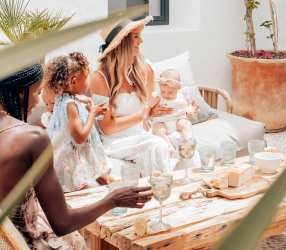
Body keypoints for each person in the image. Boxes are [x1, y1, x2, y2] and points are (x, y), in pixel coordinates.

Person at [0, 64, 152, 249]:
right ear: (20, 92)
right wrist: (113, 199)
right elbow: (63, 223)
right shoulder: (32, 138)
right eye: (37, 92)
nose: (39, 102)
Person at [90, 16, 174, 176]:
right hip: (115, 142)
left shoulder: (145, 70)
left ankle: (158, 193)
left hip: (142, 136)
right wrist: (143, 115)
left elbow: (149, 112)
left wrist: (168, 108)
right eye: (136, 36)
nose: (141, 41)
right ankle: (163, 190)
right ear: (122, 42)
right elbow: (106, 127)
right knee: (156, 145)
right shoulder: (99, 78)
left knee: (162, 145)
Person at [44, 52, 115, 192]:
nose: (89, 80)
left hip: (71, 152)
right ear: (74, 81)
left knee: (97, 175)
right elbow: (80, 137)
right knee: (79, 186)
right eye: (87, 76)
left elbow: (74, 102)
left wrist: (87, 101)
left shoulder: (61, 98)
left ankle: (105, 181)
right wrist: (92, 114)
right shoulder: (70, 105)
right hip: (73, 157)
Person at [152, 69, 198, 153]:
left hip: (177, 119)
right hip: (162, 121)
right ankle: (168, 146)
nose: (166, 95)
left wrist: (190, 109)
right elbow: (149, 106)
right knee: (158, 129)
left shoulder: (182, 96)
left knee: (185, 124)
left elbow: (190, 104)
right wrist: (150, 110)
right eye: (163, 91)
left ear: (177, 89)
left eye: (170, 92)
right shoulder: (158, 97)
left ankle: (188, 141)